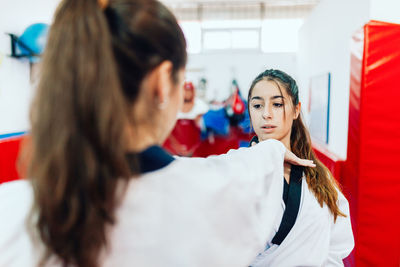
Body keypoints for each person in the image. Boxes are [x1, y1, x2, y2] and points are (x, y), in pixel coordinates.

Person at [0, 1, 314, 267]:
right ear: (163, 82)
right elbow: (246, 166)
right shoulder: (218, 199)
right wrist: (273, 151)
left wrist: (270, 150)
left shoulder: (12, 212)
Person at [247, 69, 354, 266]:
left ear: (296, 110)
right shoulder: (236, 170)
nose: (266, 114)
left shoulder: (320, 178)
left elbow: (337, 244)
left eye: (277, 104)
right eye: (257, 105)